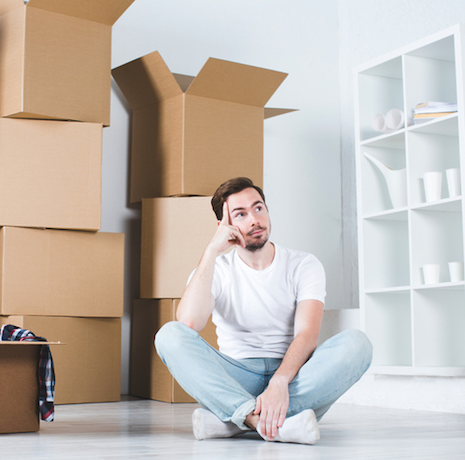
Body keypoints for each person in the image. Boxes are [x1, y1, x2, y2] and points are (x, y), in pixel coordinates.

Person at [154, 177, 372, 444]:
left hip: (293, 378)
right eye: (241, 214)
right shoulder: (216, 270)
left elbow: (307, 335)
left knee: (357, 344)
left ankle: (235, 420)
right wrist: (212, 249)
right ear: (224, 225)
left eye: (258, 208)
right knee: (169, 335)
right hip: (236, 376)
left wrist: (280, 382)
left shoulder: (304, 264)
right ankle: (264, 421)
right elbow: (188, 321)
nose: (254, 219)